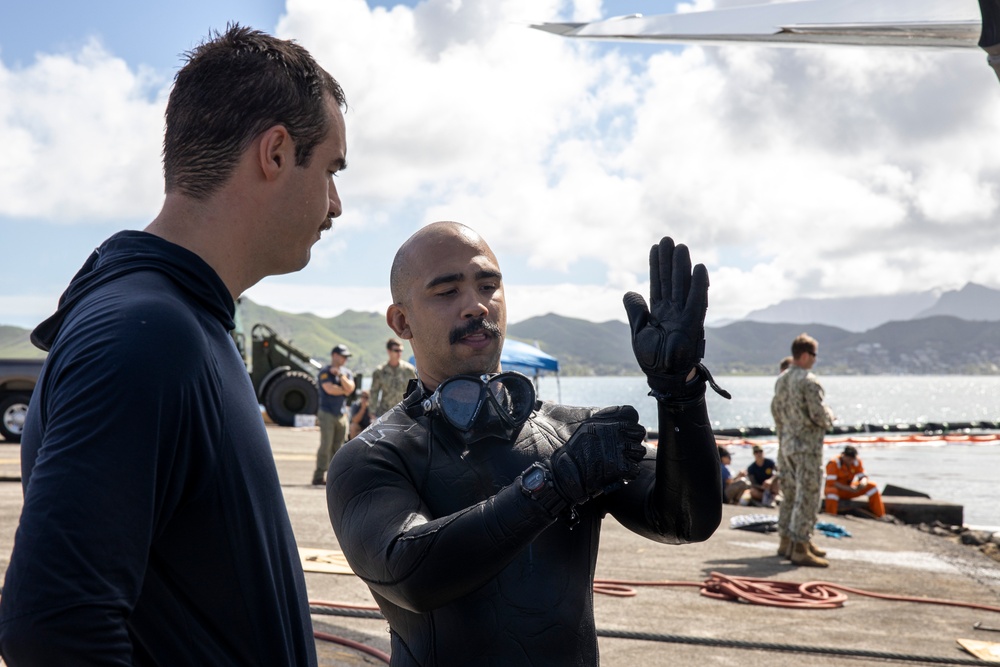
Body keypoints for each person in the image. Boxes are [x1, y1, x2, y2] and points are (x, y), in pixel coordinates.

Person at [0, 25, 347, 665]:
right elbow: (51, 628)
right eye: (329, 169)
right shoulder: (150, 336)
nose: (336, 204)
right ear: (275, 152)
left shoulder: (182, 321)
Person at [326, 222, 727, 665]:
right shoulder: (372, 456)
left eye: (488, 285)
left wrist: (680, 391)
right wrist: (554, 486)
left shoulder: (569, 435)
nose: (475, 306)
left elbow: (689, 520)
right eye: (446, 292)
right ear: (402, 321)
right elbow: (410, 574)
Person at [771, 333, 835, 568]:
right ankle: (800, 546)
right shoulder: (809, 381)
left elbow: (777, 411)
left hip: (787, 445)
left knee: (789, 495)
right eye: (814, 355)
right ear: (806, 355)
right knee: (807, 496)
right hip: (807, 447)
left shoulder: (782, 379)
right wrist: (831, 417)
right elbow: (818, 415)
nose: (815, 360)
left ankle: (786, 540)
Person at [313, 344, 356, 485]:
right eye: (343, 356)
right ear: (334, 356)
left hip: (341, 414)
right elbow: (329, 389)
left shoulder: (346, 373)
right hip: (327, 413)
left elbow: (350, 388)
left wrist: (340, 376)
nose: (345, 359)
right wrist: (344, 390)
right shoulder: (325, 372)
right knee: (326, 445)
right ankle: (319, 475)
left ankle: (335, 477)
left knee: (339, 447)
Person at [825, 445, 886, 518]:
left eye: (852, 459)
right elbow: (831, 482)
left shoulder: (856, 461)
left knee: (873, 486)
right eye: (849, 459)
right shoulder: (834, 463)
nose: (851, 461)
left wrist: (863, 483)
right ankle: (831, 516)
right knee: (832, 492)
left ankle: (880, 515)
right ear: (844, 455)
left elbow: (863, 476)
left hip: (849, 489)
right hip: (838, 489)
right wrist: (849, 489)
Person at [369, 336, 417, 417]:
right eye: (396, 350)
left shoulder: (409, 370)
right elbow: (374, 392)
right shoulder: (380, 372)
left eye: (401, 350)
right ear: (389, 351)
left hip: (404, 413)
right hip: (385, 413)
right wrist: (372, 412)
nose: (399, 353)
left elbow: (415, 390)